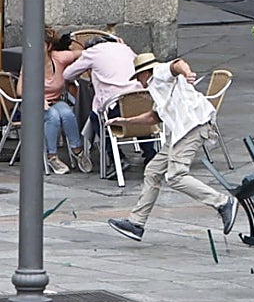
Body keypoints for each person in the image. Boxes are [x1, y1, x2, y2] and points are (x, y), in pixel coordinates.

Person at [106, 54, 237, 242]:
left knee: (176, 176)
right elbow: (154, 117)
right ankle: (136, 223)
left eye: (138, 77)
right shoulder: (157, 89)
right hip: (180, 131)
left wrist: (188, 73)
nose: (139, 82)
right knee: (153, 170)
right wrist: (125, 121)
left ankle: (223, 202)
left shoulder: (159, 73)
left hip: (193, 126)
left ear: (145, 73)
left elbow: (177, 64)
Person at [63, 34, 152, 163]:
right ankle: (150, 154)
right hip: (141, 99)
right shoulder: (124, 48)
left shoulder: (92, 52)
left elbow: (67, 74)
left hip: (115, 105)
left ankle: (116, 158)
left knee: (97, 118)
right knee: (139, 119)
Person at [16, 28, 86, 175]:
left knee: (67, 113)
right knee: (53, 116)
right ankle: (52, 156)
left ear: (48, 46)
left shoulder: (59, 58)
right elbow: (20, 90)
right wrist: (38, 99)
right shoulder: (29, 63)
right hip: (34, 106)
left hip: (55, 101)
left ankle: (77, 150)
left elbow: (83, 53)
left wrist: (107, 46)